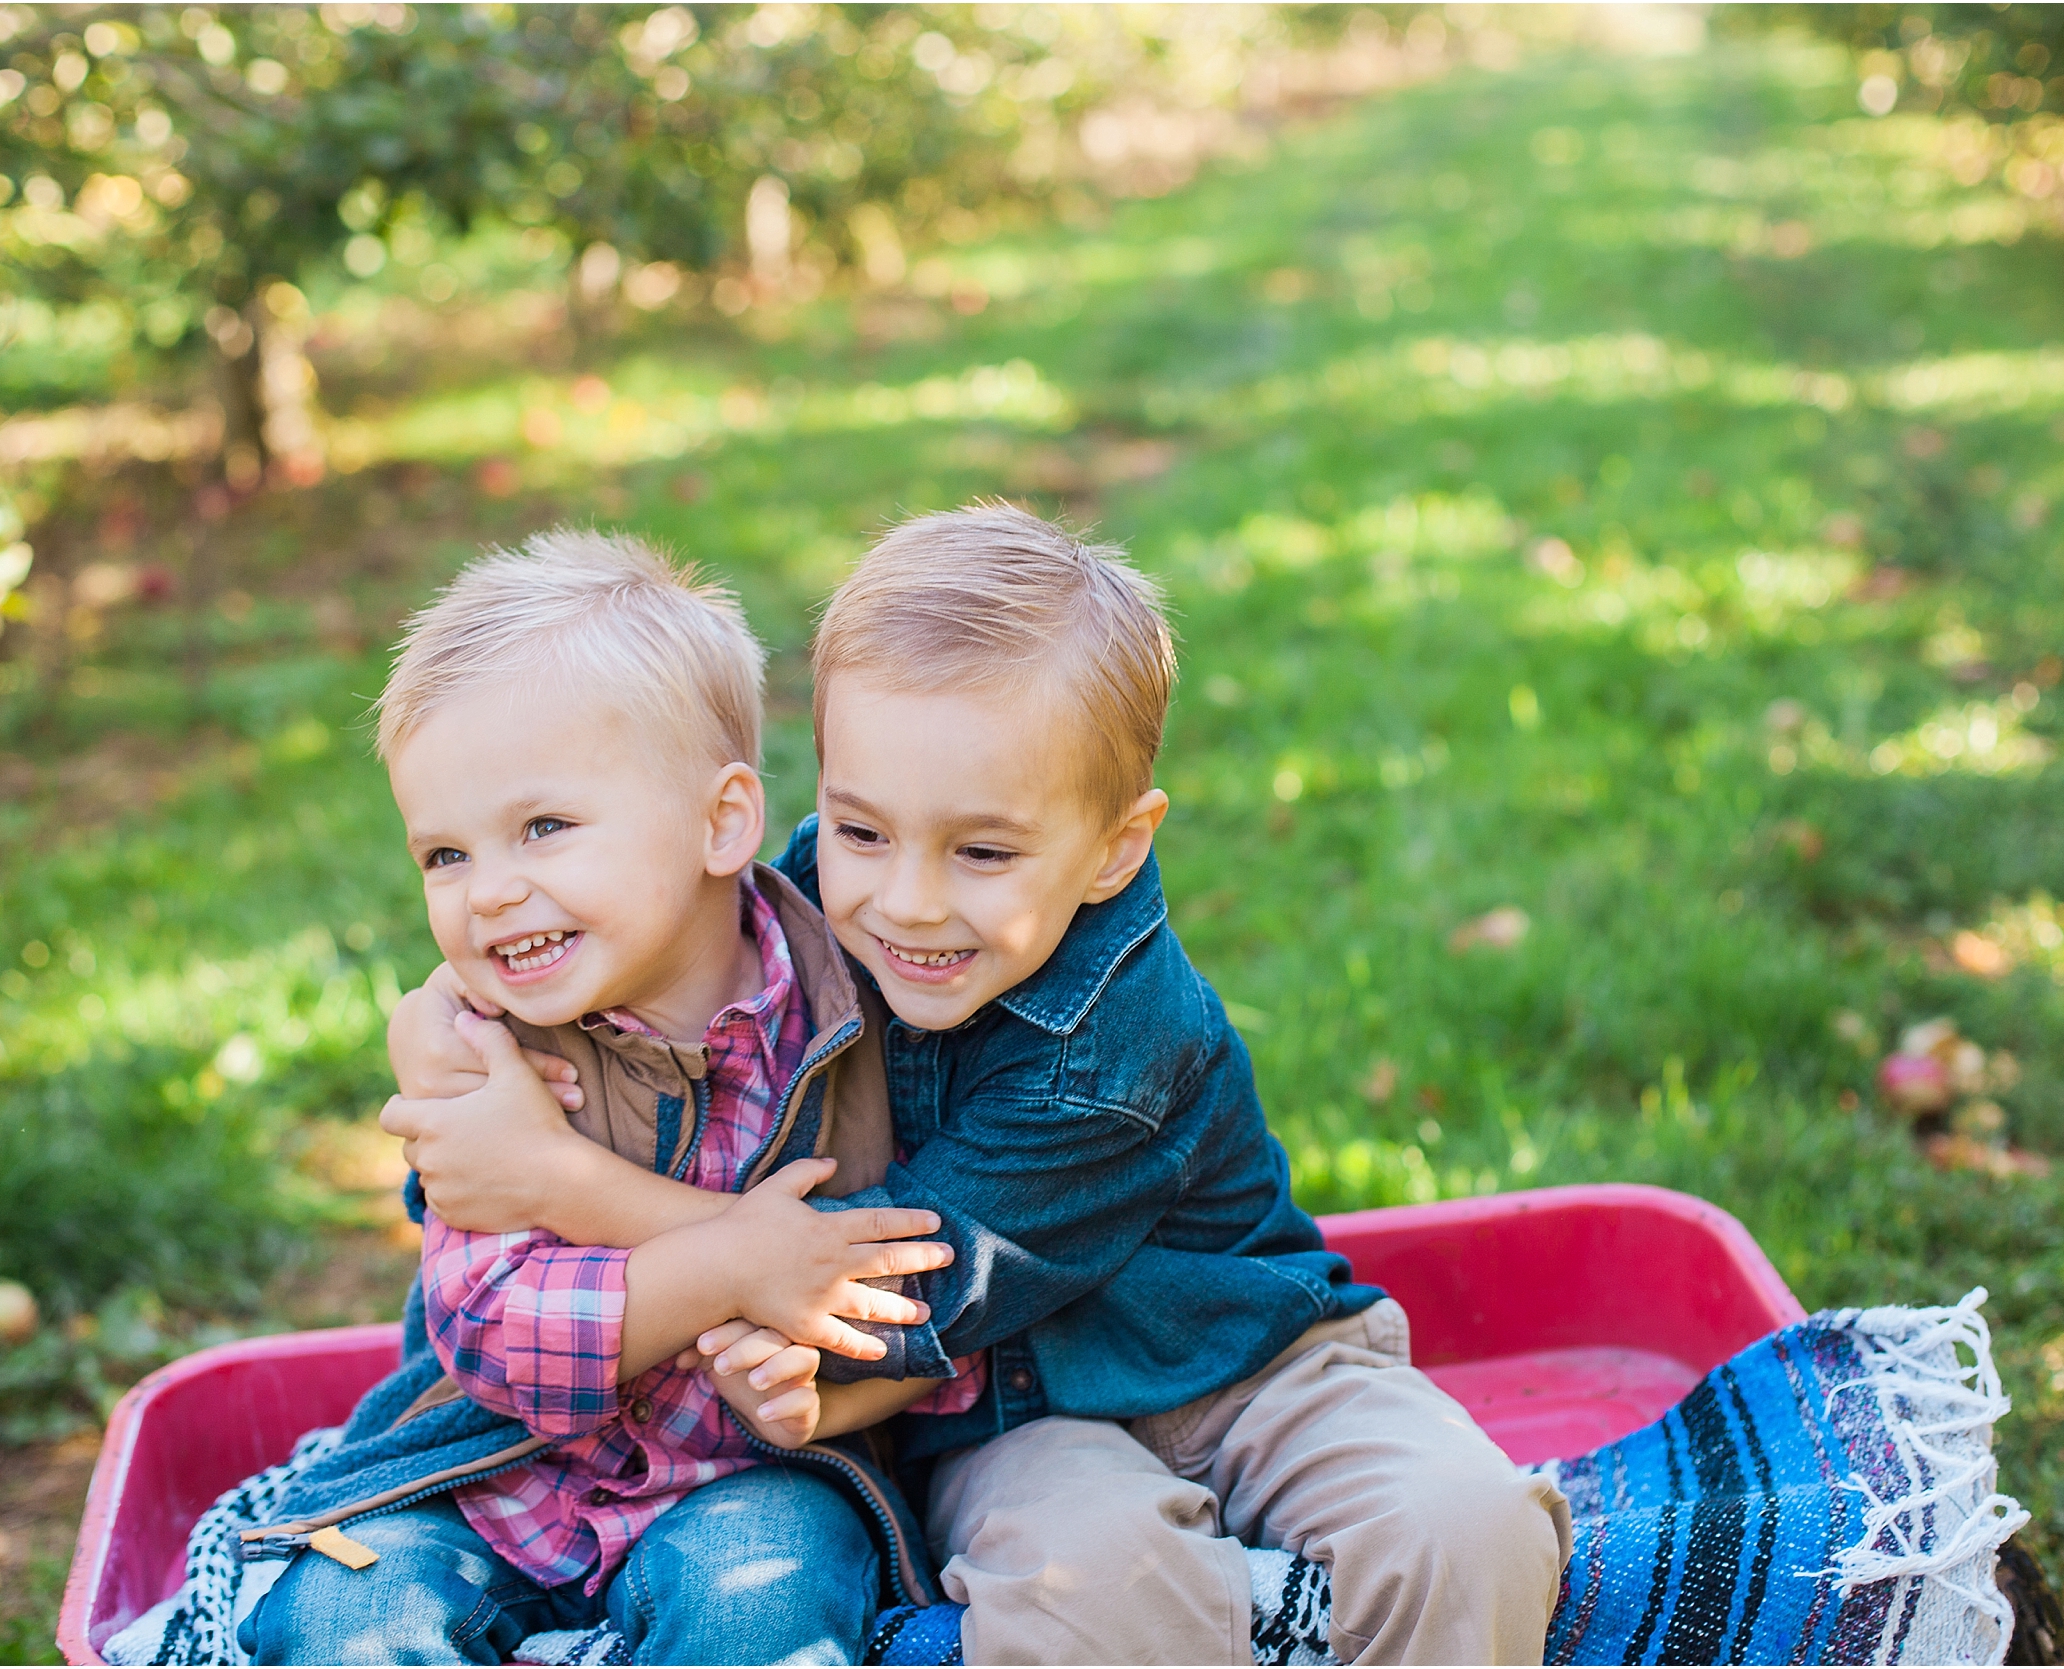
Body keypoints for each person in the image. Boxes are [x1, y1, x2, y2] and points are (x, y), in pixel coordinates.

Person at [389, 505, 1572, 1665]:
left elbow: (877, 1278)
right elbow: (650, 928)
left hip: (1247, 1364)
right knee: (1095, 1594)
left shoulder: (1112, 1052)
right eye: (860, 829)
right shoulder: (819, 899)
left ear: (1116, 843)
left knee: (1466, 1527)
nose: (904, 901)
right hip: (1007, 1417)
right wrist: (442, 1015)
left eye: (984, 851)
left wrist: (558, 1177)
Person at [238, 529, 969, 1666]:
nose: (490, 892)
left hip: (752, 1474)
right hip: (487, 1471)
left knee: (765, 1607)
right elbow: (491, 1331)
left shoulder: (868, 997)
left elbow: (923, 1286)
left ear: (721, 822)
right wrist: (730, 1267)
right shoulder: (488, 1053)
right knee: (341, 1614)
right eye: (444, 855)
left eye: (543, 827)